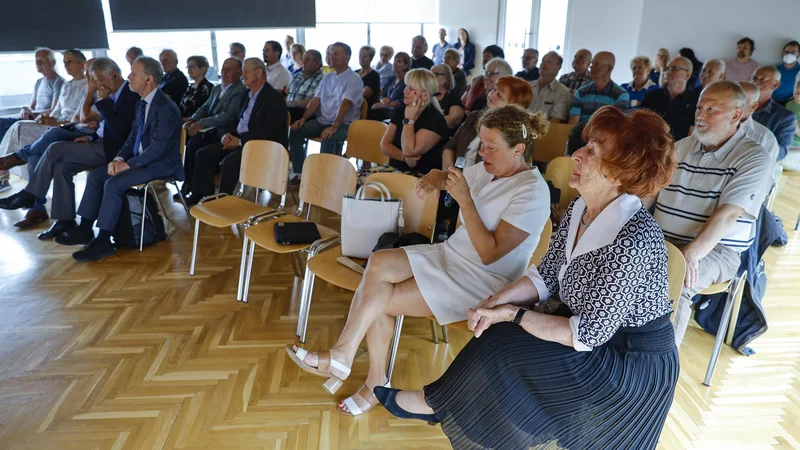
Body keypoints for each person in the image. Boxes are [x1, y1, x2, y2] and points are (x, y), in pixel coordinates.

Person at [375, 106, 679, 450]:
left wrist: (512, 313)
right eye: (585, 146)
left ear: (620, 174)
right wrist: (496, 301)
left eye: (591, 152)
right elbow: (547, 275)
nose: (575, 155)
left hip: (627, 363)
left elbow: (588, 334)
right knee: (499, 332)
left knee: (506, 336)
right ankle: (452, 411)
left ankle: (436, 404)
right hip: (590, 337)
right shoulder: (581, 208)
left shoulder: (632, 240)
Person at [286, 104, 551, 417]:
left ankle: (369, 378)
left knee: (380, 299)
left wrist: (464, 200)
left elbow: (489, 252)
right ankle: (345, 357)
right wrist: (437, 177)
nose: (483, 153)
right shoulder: (488, 169)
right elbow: (454, 177)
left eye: (492, 147)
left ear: (519, 149)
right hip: (452, 254)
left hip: (482, 280)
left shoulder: (533, 192)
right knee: (379, 262)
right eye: (482, 144)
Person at [651, 81, 770, 347]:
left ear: (736, 115)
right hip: (662, 241)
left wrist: (690, 254)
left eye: (712, 109)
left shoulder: (753, 156)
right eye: (699, 107)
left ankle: (659, 374)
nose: (701, 114)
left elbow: (728, 215)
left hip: (715, 250)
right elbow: (650, 192)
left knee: (676, 279)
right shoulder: (682, 147)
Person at [57, 57, 184, 262]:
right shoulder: (142, 103)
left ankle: (104, 241)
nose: (129, 77)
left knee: (114, 183)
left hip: (161, 165)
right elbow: (132, 137)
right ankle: (85, 228)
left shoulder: (166, 108)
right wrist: (119, 157)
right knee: (97, 177)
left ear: (149, 79)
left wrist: (128, 164)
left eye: (134, 73)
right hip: (141, 160)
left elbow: (158, 150)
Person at [0, 57, 139, 232]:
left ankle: (31, 194)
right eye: (95, 81)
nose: (97, 85)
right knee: (61, 167)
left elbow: (120, 130)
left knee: (55, 147)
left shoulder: (130, 94)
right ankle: (64, 220)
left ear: (114, 74)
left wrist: (103, 103)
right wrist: (90, 138)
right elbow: (104, 127)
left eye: (100, 80)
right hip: (99, 142)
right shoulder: (110, 93)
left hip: (114, 150)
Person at [0, 49, 87, 193]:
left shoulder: (87, 86)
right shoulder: (67, 85)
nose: (66, 65)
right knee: (22, 131)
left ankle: (7, 165)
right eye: (64, 62)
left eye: (70, 62)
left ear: (82, 64)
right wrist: (46, 118)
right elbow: (56, 111)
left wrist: (55, 122)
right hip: (55, 124)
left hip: (68, 129)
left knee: (20, 126)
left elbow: (78, 118)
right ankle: (32, 198)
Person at [178, 58, 248, 200]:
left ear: (240, 72)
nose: (225, 72)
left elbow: (228, 116)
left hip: (225, 132)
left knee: (197, 147)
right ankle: (189, 183)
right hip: (211, 130)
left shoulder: (240, 90)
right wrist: (193, 118)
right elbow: (205, 107)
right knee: (192, 143)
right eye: (223, 68)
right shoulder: (217, 88)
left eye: (229, 69)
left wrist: (201, 123)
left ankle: (200, 191)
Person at [288, 42, 363, 176]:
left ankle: (324, 178)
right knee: (295, 131)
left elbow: (345, 104)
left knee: (328, 138)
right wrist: (303, 119)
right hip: (323, 121)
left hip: (344, 124)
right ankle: (300, 174)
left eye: (335, 54)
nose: (331, 57)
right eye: (329, 54)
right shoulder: (327, 77)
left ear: (347, 57)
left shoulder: (354, 79)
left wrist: (334, 126)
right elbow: (315, 100)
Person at [445, 76, 534, 169]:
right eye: (494, 90)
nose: (492, 95)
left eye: (499, 95)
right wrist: (450, 173)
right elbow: (449, 148)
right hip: (457, 176)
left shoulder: (520, 134)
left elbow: (507, 170)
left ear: (513, 106)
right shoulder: (475, 116)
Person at [379, 69, 449, 175]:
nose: (405, 91)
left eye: (411, 89)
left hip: (422, 178)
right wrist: (404, 158)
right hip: (395, 170)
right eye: (406, 86)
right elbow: (384, 145)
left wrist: (409, 120)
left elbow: (409, 151)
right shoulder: (401, 111)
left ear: (425, 95)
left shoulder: (435, 119)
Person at [0, 48, 64, 144]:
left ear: (52, 62)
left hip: (43, 121)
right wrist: (26, 110)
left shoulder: (58, 82)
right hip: (33, 118)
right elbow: (32, 106)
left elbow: (54, 110)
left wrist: (32, 113)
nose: (37, 63)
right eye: (36, 60)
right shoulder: (39, 82)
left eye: (41, 60)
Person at [641, 56, 700, 141]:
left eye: (675, 69)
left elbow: (692, 133)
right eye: (667, 68)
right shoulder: (652, 96)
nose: (668, 72)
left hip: (679, 150)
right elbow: (641, 123)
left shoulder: (695, 100)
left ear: (687, 75)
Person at [752, 66, 796, 161]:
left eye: (763, 79)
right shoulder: (741, 108)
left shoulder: (785, 117)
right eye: (755, 78)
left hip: (761, 163)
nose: (756, 82)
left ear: (775, 85)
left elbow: (780, 153)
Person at [738, 82, 780, 169]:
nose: (732, 105)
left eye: (740, 102)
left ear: (753, 106)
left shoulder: (765, 138)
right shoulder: (711, 126)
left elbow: (766, 175)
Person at [529, 51, 571, 123]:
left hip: (546, 132)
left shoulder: (562, 92)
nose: (543, 64)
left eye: (548, 62)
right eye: (542, 61)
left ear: (559, 67)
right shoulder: (527, 86)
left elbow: (555, 121)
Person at [368, 53, 410, 122]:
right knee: (371, 110)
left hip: (397, 112)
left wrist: (387, 104)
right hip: (386, 108)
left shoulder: (407, 81)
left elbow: (403, 102)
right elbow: (383, 93)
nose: (395, 63)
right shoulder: (391, 78)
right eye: (395, 61)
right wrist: (383, 99)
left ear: (406, 65)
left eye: (399, 61)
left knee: (373, 112)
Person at [286, 50, 324, 122]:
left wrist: (292, 103)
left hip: (305, 112)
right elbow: (288, 93)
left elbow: (313, 101)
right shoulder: (298, 75)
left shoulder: (322, 79)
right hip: (289, 108)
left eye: (307, 59)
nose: (303, 61)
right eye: (304, 59)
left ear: (317, 63)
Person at [431, 64, 465, 135]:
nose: (431, 77)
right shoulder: (427, 96)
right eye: (430, 74)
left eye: (435, 74)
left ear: (446, 78)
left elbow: (452, 120)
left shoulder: (452, 98)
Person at [784, 73, 800, 171]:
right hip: (785, 147)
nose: (799, 88)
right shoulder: (789, 104)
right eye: (798, 84)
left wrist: (796, 128)